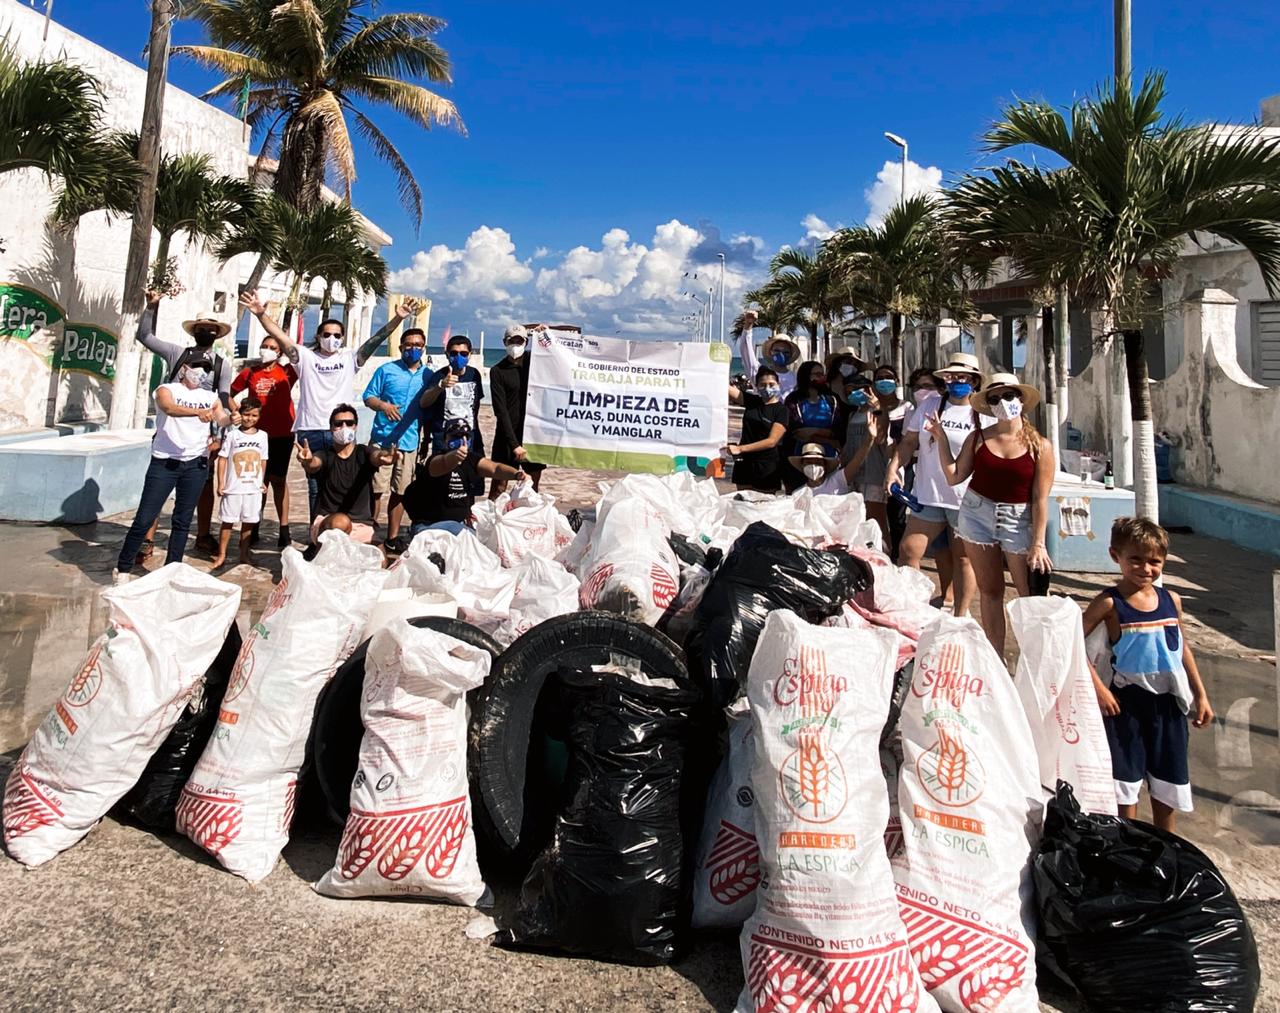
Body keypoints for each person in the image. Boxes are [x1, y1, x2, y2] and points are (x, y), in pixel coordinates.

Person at [239, 290, 421, 519]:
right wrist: (260, 314)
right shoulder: (304, 357)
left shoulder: (349, 358)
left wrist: (398, 318)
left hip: (341, 428)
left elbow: (375, 341)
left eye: (337, 335)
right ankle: (316, 533)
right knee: (315, 488)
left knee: (344, 483)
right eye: (327, 334)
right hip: (311, 430)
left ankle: (342, 529)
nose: (331, 338)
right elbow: (281, 337)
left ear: (342, 338)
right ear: (318, 336)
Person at [1082, 517, 1213, 833]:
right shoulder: (1109, 603)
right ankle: (1127, 846)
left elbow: (1181, 648)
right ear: (1116, 556)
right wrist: (1100, 689)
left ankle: (1164, 846)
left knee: (1168, 783)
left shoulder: (1171, 600)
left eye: (1155, 561)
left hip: (1168, 706)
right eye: (1136, 559)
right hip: (1125, 706)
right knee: (1125, 784)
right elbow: (1072, 644)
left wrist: (1200, 694)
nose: (1145, 568)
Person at [926, 372, 1055, 651]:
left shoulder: (1040, 446)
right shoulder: (978, 437)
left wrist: (1039, 542)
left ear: (1020, 400)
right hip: (976, 513)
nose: (1002, 403)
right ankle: (996, 658)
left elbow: (1040, 498)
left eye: (1008, 396)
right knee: (990, 591)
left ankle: (1035, 658)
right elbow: (955, 476)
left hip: (1018, 520)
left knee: (1029, 596)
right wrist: (941, 438)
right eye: (995, 399)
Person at [131, 291, 234, 562]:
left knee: (203, 486)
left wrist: (222, 433)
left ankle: (202, 535)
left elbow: (223, 399)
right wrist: (151, 307)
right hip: (170, 434)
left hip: (201, 438)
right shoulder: (177, 353)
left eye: (210, 329)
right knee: (158, 488)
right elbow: (145, 336)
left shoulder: (222, 365)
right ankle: (147, 539)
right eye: (201, 328)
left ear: (217, 334)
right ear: (194, 331)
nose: (205, 332)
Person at [885, 352, 989, 615]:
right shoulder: (930, 405)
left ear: (974, 381)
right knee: (909, 550)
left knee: (963, 558)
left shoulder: (983, 413)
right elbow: (909, 441)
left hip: (965, 498)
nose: (956, 381)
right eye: (951, 376)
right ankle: (914, 609)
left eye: (963, 377)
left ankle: (960, 615)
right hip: (928, 494)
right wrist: (894, 467)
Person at [114, 355, 231, 582]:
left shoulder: (210, 396)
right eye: (197, 366)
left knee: (182, 520)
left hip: (196, 463)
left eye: (206, 369)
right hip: (165, 463)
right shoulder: (166, 389)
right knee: (144, 518)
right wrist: (197, 413)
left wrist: (232, 418)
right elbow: (168, 407)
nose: (201, 372)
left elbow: (221, 418)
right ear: (184, 368)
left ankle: (172, 570)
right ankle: (123, 569)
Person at [362, 326, 430, 554]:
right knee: (375, 490)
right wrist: (383, 406)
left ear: (424, 348)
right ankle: (369, 534)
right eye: (409, 344)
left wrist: (426, 441)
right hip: (382, 440)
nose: (413, 348)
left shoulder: (428, 376)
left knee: (400, 491)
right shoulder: (386, 370)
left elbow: (429, 409)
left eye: (417, 345)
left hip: (409, 442)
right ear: (401, 347)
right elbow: (368, 397)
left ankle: (391, 537)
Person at [230, 333, 297, 547]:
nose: (266, 350)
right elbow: (229, 393)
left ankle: (284, 529)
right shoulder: (250, 372)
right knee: (259, 481)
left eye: (272, 347)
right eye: (264, 345)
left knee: (279, 481)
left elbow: (300, 357)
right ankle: (253, 525)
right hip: (256, 435)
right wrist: (236, 412)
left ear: (279, 352)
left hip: (283, 433)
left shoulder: (288, 372)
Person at [403, 418, 524, 537]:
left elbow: (495, 468)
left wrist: (517, 474)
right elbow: (444, 462)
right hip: (430, 525)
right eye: (456, 437)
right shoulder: (435, 460)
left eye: (466, 437)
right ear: (445, 439)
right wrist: (455, 456)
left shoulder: (471, 459)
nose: (462, 441)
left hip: (460, 525)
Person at [294, 404, 396, 545]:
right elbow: (314, 464)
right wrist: (307, 461)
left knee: (379, 556)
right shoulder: (325, 454)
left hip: (361, 524)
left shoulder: (364, 452)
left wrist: (384, 457)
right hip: (328, 523)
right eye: (338, 424)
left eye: (349, 423)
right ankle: (320, 550)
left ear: (356, 426)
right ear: (331, 428)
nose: (344, 427)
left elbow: (376, 456)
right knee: (341, 522)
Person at [419, 333, 487, 492]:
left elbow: (475, 405)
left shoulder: (474, 374)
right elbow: (424, 403)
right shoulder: (439, 376)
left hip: (470, 439)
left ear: (470, 355)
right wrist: (440, 386)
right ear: (447, 354)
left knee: (470, 484)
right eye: (454, 353)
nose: (459, 357)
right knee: (443, 486)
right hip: (444, 441)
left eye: (463, 353)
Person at [489, 324, 547, 497]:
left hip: (532, 434)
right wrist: (514, 445)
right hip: (506, 437)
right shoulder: (497, 371)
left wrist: (545, 334)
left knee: (532, 487)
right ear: (504, 342)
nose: (515, 344)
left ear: (526, 342)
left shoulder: (534, 363)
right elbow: (500, 410)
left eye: (519, 341)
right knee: (499, 487)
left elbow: (555, 356)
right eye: (511, 341)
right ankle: (493, 514)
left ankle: (528, 513)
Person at [210, 397, 269, 569]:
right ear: (240, 414)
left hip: (253, 489)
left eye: (254, 415)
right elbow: (222, 459)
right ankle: (222, 555)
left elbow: (263, 459)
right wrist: (221, 483)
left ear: (259, 416)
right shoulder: (232, 435)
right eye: (246, 414)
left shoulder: (263, 436)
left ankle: (244, 553)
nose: (250, 418)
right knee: (227, 522)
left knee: (248, 522)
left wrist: (262, 481)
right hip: (233, 488)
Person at [840, 373, 894, 547]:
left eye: (856, 390)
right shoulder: (853, 414)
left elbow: (881, 438)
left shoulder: (879, 411)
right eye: (849, 391)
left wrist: (878, 408)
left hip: (873, 472)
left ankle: (886, 554)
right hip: (854, 473)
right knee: (858, 519)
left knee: (877, 519)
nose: (852, 394)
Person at [725, 366, 790, 493]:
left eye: (771, 384)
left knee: (764, 503)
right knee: (741, 502)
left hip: (766, 467)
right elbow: (724, 387)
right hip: (744, 464)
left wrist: (740, 449)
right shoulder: (752, 401)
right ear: (756, 386)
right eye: (763, 385)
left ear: (779, 385)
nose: (767, 388)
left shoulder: (782, 411)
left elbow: (772, 441)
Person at [782, 360, 840, 491]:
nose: (821, 378)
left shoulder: (832, 400)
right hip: (801, 457)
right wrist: (827, 436)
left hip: (828, 457)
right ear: (806, 375)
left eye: (822, 374)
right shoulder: (794, 400)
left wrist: (814, 431)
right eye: (817, 374)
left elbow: (838, 430)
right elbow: (797, 432)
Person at [790, 413, 883, 495]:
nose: (813, 466)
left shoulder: (838, 480)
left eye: (818, 462)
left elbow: (857, 462)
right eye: (809, 462)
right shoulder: (798, 494)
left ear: (825, 465)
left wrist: (870, 439)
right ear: (802, 465)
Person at [738, 316, 800, 399]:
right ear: (770, 352)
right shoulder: (759, 373)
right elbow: (746, 351)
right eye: (777, 351)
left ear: (790, 354)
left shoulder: (796, 379)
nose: (781, 354)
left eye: (786, 352)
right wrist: (748, 325)